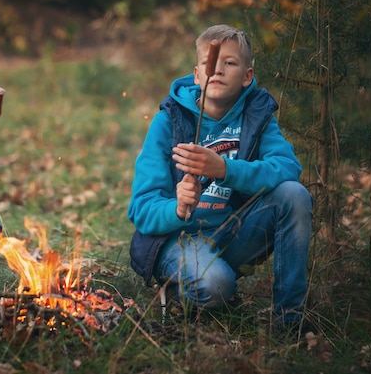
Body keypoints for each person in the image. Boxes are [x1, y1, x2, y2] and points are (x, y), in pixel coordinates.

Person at [128, 25, 312, 332]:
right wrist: (177, 207)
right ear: (197, 74)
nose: (217, 69)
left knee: (294, 194)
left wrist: (226, 171)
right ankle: (181, 291)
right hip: (180, 241)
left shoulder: (256, 118)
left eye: (230, 62)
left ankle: (289, 322)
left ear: (247, 76)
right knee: (215, 287)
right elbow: (141, 208)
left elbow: (287, 168)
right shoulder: (167, 123)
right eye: (210, 63)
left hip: (233, 233)